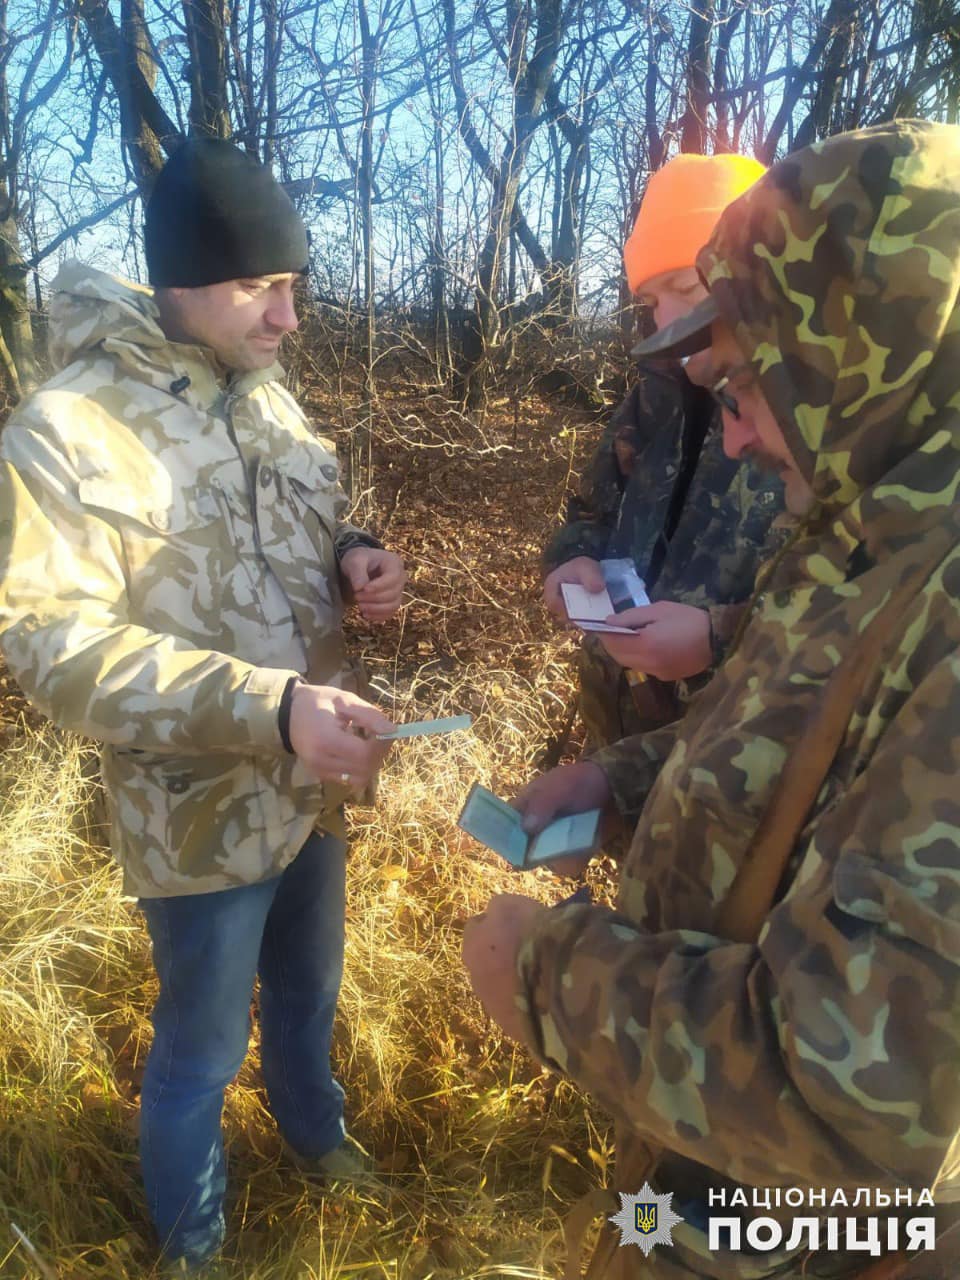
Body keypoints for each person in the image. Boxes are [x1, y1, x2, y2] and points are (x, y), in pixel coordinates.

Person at [463, 119, 960, 1278]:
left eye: (745, 377)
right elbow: (767, 729)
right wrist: (616, 774)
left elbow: (852, 1107)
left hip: (816, 1231)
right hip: (705, 1167)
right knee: (641, 1235)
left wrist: (547, 976)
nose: (728, 421)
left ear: (851, 350)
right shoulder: (858, 531)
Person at [0, 138, 407, 1273]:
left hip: (313, 786)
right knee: (198, 1050)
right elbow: (51, 643)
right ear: (183, 278)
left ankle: (316, 1133)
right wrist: (269, 705)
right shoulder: (66, 433)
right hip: (198, 815)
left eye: (296, 287)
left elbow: (307, 521)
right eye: (263, 288)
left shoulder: (266, 400)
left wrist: (356, 554)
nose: (290, 317)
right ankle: (193, 1242)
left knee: (311, 990)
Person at [542, 153, 784, 750]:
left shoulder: (801, 409)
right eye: (651, 301)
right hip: (623, 722)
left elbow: (848, 606)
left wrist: (717, 637)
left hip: (736, 739)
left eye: (684, 286)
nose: (668, 322)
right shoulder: (654, 396)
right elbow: (592, 513)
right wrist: (571, 562)